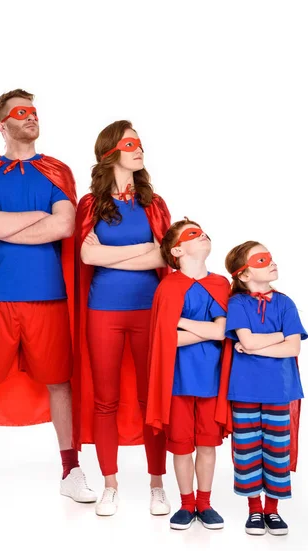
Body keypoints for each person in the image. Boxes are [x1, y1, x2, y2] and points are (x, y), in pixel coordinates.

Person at [0, 89, 96, 511]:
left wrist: (7, 225)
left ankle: (71, 471)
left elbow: (65, 226)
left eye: (34, 112)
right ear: (2, 124)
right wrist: (37, 217)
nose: (31, 118)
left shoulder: (55, 172)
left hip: (47, 294)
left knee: (59, 384)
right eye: (21, 113)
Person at [74, 120, 171, 516]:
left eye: (141, 143)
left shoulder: (154, 203)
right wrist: (140, 251)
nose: (140, 149)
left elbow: (164, 256)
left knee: (153, 399)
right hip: (103, 313)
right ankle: (110, 485)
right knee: (105, 401)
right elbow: (85, 257)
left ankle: (157, 484)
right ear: (110, 152)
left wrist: (108, 256)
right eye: (131, 143)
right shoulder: (90, 205)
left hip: (150, 312)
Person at [147, 218, 232, 530]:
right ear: (177, 250)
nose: (204, 236)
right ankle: (186, 504)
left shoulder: (220, 284)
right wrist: (209, 331)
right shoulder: (168, 287)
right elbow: (166, 340)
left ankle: (205, 503)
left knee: (207, 444)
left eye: (204, 233)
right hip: (177, 379)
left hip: (211, 379)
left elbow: (224, 331)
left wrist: (183, 323)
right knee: (181, 445)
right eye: (194, 234)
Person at [225, 241, 308, 535]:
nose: (271, 263)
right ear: (244, 274)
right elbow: (247, 341)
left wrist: (254, 346)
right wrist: (278, 338)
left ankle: (273, 510)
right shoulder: (237, 303)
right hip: (245, 389)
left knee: (277, 450)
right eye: (262, 260)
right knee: (247, 451)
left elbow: (293, 346)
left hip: (280, 390)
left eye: (270, 258)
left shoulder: (285, 303)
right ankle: (254, 510)